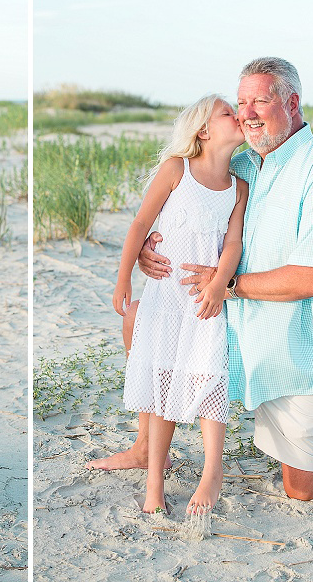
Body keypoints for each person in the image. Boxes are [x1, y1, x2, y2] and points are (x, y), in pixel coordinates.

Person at [90, 58, 313, 502]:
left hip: (299, 350)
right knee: (140, 320)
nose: (247, 112)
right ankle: (148, 448)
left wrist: (228, 285)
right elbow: (187, 206)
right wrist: (148, 250)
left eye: (260, 100)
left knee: (303, 489)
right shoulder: (242, 165)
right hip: (237, 329)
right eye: (240, 103)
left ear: (292, 102)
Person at [113, 95, 247, 515]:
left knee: (208, 377)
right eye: (229, 112)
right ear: (203, 131)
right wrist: (123, 278)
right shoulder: (177, 171)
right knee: (162, 384)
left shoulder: (238, 187)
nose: (240, 116)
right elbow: (140, 223)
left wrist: (219, 285)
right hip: (165, 298)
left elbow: (233, 243)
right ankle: (154, 482)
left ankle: (212, 470)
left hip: (204, 300)